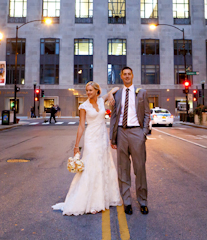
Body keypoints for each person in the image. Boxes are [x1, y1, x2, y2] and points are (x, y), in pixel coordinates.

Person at [52, 82, 122, 215]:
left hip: (102, 139)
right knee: (91, 166)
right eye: (87, 90)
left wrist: (111, 94)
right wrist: (76, 145)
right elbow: (81, 126)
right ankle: (92, 200)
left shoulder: (102, 101)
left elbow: (116, 88)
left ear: (97, 91)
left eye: (90, 90)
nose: (88, 93)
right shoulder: (83, 106)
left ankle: (104, 197)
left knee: (103, 165)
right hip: (91, 139)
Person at [110, 66, 151, 215]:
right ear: (121, 76)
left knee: (140, 168)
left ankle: (143, 201)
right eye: (124, 74)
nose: (127, 76)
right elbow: (114, 116)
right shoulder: (117, 94)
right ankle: (126, 201)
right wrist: (112, 137)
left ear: (132, 76)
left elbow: (147, 113)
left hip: (136, 133)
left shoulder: (142, 93)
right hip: (121, 132)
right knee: (123, 169)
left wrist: (143, 132)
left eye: (129, 74)